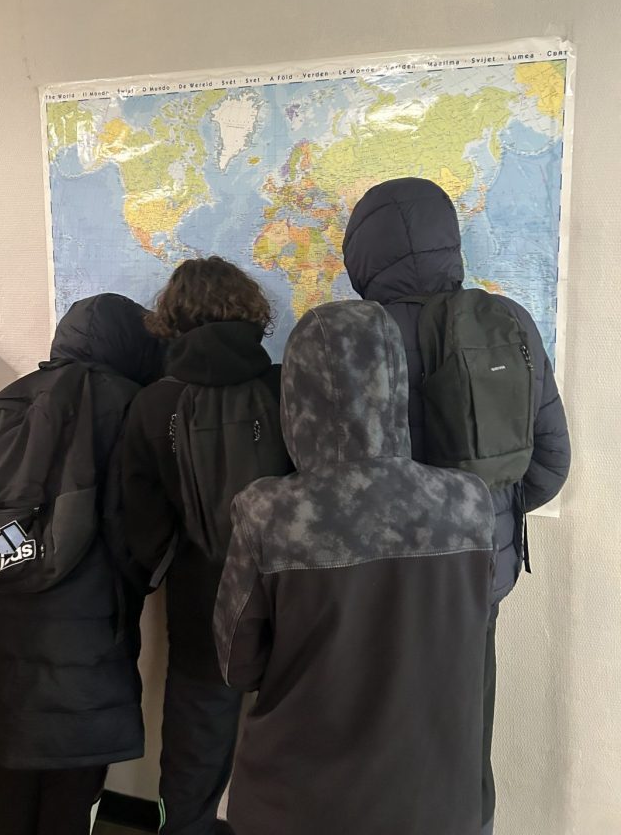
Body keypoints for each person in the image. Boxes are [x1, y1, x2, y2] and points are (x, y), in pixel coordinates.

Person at [342, 176, 572, 834]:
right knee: (467, 738)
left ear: (363, 251)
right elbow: (549, 462)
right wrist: (490, 516)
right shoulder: (507, 322)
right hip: (476, 575)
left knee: (377, 743)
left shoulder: (350, 336)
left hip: (378, 582)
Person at [214, 300, 496, 835]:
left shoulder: (268, 513)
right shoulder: (469, 502)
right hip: (439, 803)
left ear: (297, 392)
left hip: (299, 807)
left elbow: (237, 666)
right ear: (396, 382)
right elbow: (472, 636)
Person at [0, 294, 163, 835]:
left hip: (10, 626)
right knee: (73, 784)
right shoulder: (129, 406)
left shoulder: (5, 403)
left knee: (12, 772)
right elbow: (137, 535)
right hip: (91, 631)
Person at [123, 256, 289, 835]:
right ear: (250, 311)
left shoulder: (153, 404)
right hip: (288, 593)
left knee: (194, 745)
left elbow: (139, 524)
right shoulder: (285, 387)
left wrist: (165, 567)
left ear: (172, 319)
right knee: (289, 734)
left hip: (201, 601)